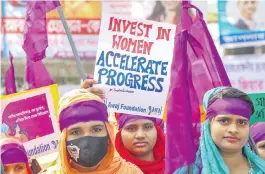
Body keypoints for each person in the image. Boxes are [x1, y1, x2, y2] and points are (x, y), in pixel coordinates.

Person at [47, 88, 142, 173]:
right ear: (64, 137)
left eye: (96, 129)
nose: (87, 141)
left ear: (109, 132)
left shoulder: (130, 172)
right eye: (75, 132)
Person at [175, 87, 265, 173]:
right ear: (208, 125)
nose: (233, 130)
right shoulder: (188, 171)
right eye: (224, 121)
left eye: (241, 122)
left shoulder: (261, 168)